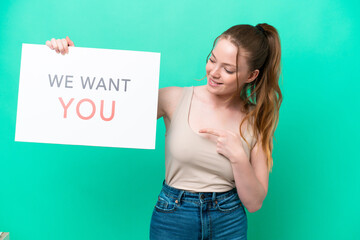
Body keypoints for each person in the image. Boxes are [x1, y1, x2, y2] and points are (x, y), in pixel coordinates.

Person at [46, 23, 282, 240]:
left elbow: (254, 203)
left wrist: (238, 157)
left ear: (251, 75)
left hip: (228, 220)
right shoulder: (173, 98)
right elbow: (109, 106)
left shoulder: (256, 119)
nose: (214, 72)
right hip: (174, 215)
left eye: (228, 69)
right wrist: (72, 61)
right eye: (212, 60)